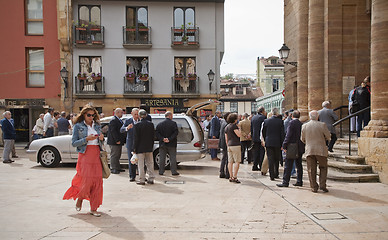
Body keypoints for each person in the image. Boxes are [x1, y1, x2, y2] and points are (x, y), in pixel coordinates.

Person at [63, 105, 105, 216]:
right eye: (89, 115)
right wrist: (86, 139)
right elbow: (74, 143)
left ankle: (94, 208)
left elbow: (101, 141)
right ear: (84, 115)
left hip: (96, 153)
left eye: (93, 115)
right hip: (85, 154)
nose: (91, 117)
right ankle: (80, 197)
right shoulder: (78, 126)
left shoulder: (97, 126)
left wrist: (101, 138)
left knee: (97, 181)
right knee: (85, 180)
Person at [301, 110, 331, 193]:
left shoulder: (304, 126)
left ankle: (313, 187)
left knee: (311, 169)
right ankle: (322, 185)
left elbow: (302, 139)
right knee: (323, 167)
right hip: (321, 149)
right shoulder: (322, 125)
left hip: (309, 149)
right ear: (317, 116)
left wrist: (308, 143)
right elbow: (328, 136)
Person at [277, 110, 305, 187]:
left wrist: (284, 145)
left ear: (292, 116)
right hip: (300, 146)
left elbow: (288, 135)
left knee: (288, 164)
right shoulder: (301, 123)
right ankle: (299, 181)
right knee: (299, 164)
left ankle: (285, 182)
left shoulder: (291, 123)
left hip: (292, 146)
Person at [133, 110, 155, 185]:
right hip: (149, 147)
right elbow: (153, 137)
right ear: (146, 115)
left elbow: (136, 138)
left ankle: (142, 180)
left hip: (140, 148)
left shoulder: (137, 125)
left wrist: (134, 148)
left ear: (139, 116)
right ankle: (151, 178)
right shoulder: (151, 124)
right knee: (150, 163)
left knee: (141, 165)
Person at [262, 108, 284, 181]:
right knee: (276, 158)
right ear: (277, 113)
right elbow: (282, 134)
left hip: (269, 142)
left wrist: (266, 139)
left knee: (270, 158)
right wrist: (282, 143)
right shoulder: (280, 121)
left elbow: (263, 132)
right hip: (277, 142)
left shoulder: (266, 121)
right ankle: (276, 173)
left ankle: (271, 175)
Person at [155, 111, 179, 176]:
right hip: (172, 144)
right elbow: (176, 133)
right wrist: (169, 139)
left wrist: (163, 139)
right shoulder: (173, 124)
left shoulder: (160, 124)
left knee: (162, 158)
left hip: (162, 144)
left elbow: (157, 133)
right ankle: (173, 171)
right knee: (173, 158)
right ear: (170, 116)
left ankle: (161, 171)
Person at [120, 108, 140, 182]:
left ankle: (142, 176)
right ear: (132, 114)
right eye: (135, 114)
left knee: (141, 160)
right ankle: (132, 176)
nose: (136, 116)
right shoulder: (128, 121)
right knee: (131, 160)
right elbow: (121, 130)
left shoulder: (141, 121)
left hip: (139, 143)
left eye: (137, 114)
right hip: (131, 143)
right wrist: (127, 128)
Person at [107, 108, 126, 174]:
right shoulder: (113, 120)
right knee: (114, 155)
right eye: (121, 112)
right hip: (114, 141)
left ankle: (117, 167)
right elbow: (113, 131)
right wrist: (117, 140)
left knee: (118, 155)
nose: (122, 114)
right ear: (117, 113)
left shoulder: (118, 120)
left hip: (119, 141)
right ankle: (113, 168)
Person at [225, 113, 242, 183]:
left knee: (230, 162)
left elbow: (226, 138)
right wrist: (240, 128)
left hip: (229, 145)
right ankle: (235, 176)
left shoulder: (227, 127)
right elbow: (239, 135)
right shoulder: (234, 127)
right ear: (235, 120)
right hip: (236, 145)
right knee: (237, 161)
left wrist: (227, 145)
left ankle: (230, 176)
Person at [251, 106, 266, 171]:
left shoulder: (253, 117)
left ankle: (255, 165)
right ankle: (261, 165)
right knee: (261, 152)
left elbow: (251, 128)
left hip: (255, 137)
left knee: (256, 152)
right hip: (261, 137)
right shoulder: (263, 118)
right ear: (262, 111)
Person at [219, 112, 231, 179]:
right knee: (227, 158)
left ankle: (222, 172)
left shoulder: (223, 122)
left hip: (223, 142)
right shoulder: (227, 124)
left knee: (224, 158)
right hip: (226, 143)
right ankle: (227, 173)